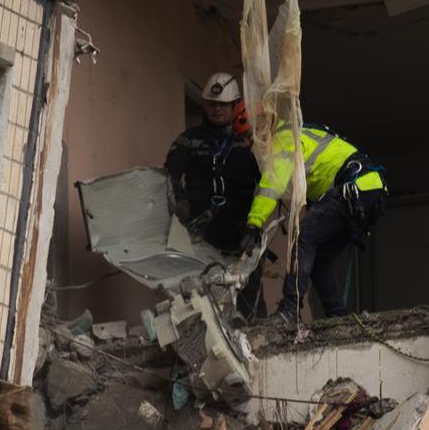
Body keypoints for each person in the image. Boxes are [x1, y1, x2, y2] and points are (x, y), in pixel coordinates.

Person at [242, 122, 387, 324]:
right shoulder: (301, 132)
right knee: (319, 258)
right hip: (369, 191)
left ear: (264, 133)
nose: (255, 149)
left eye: (251, 139)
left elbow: (271, 186)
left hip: (354, 187)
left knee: (304, 239)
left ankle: (289, 310)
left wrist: (254, 224)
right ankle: (337, 316)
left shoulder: (284, 140)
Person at [165, 72, 264, 316]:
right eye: (212, 104)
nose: (217, 109)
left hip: (243, 231)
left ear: (235, 106)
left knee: (249, 296)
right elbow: (169, 175)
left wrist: (257, 223)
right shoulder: (189, 140)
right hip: (203, 231)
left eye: (223, 105)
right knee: (204, 298)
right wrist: (180, 203)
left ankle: (257, 331)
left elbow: (269, 183)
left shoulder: (251, 142)